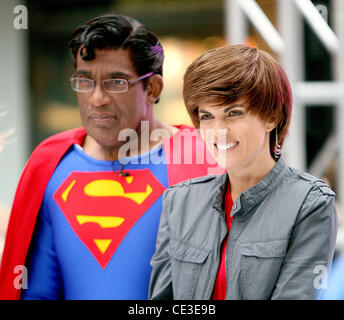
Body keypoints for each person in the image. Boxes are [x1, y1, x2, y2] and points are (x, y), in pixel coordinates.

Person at [0, 13, 221, 300]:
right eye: (85, 80)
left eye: (116, 82)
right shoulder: (50, 163)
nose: (97, 98)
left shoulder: (203, 160)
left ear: (152, 89)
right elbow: (37, 290)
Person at [149, 44, 338, 300]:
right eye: (207, 116)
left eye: (234, 113)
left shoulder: (310, 203)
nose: (218, 130)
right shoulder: (179, 201)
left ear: (271, 117)